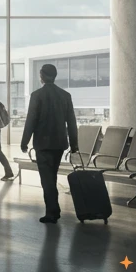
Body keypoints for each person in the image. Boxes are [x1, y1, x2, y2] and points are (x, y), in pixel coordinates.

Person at [19, 63, 78, 223]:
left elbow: (31, 120)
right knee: (51, 176)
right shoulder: (65, 95)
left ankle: (52, 212)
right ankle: (54, 209)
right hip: (59, 143)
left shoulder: (37, 95)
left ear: (42, 76)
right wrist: (74, 144)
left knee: (47, 179)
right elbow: (71, 122)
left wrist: (24, 141)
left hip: (43, 144)